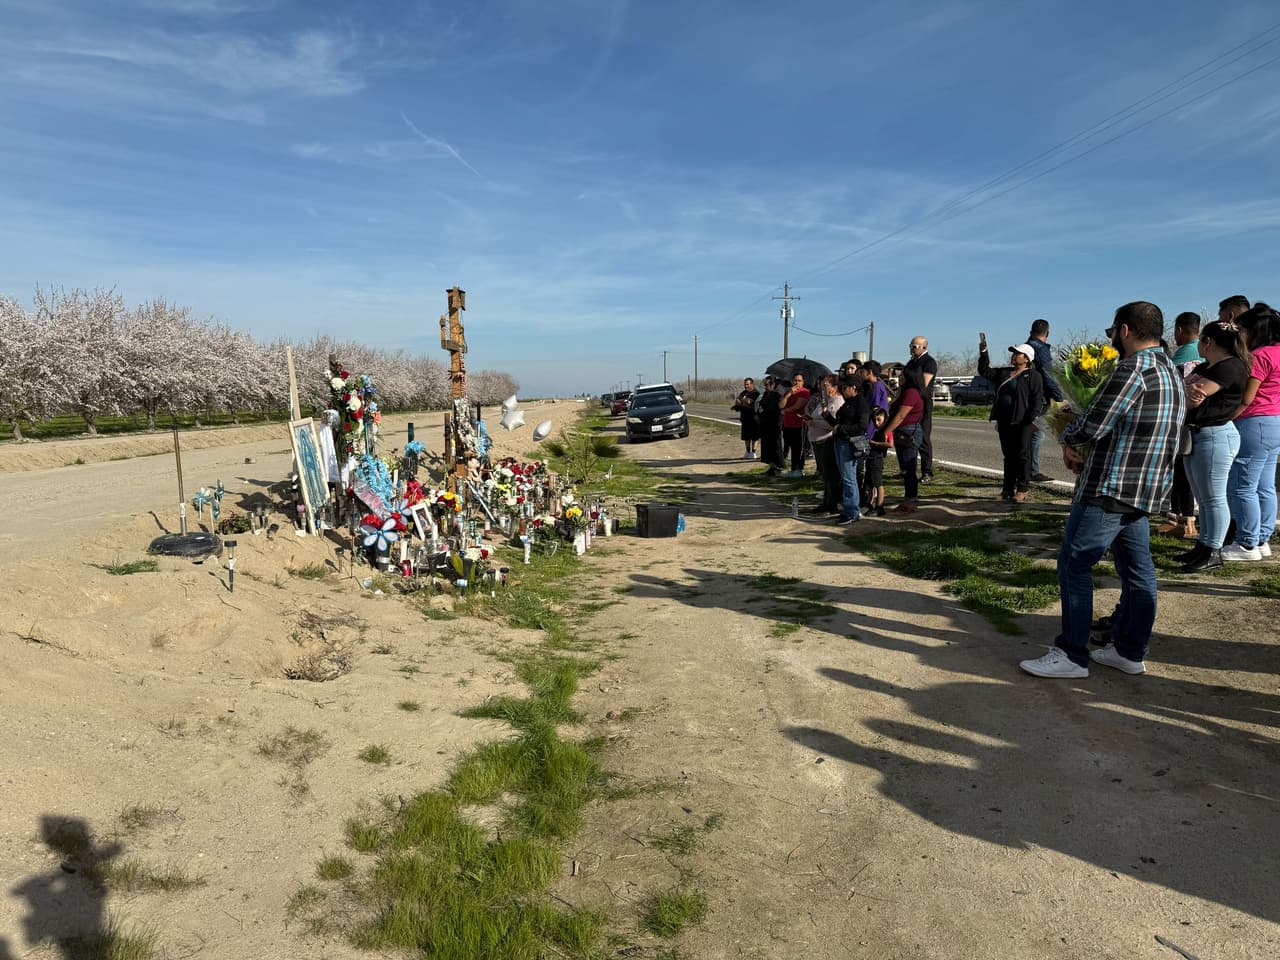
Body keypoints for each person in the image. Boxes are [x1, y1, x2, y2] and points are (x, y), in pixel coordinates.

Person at [1020, 301, 1184, 679]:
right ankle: (1129, 650)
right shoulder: (1171, 370)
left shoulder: (1133, 369)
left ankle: (1072, 654)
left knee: (1074, 564)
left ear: (1124, 330)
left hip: (1111, 485)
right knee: (1138, 571)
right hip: (1145, 487)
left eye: (1113, 332)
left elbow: (1096, 423)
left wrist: (1068, 437)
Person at [1177, 319, 1251, 571]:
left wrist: (1189, 393)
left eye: (1201, 340)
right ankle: (1203, 545)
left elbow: (1194, 395)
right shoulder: (1211, 365)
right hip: (1199, 434)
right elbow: (1187, 393)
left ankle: (1213, 550)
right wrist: (1187, 393)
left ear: (1208, 342)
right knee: (1203, 497)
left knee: (1214, 498)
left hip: (1215, 435)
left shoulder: (1230, 367)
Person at [1223, 304, 1280, 561]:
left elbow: (1247, 398)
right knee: (1266, 485)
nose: (1240, 335)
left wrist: (1225, 418)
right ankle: (1262, 539)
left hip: (1254, 422)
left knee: (1243, 485)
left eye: (1242, 330)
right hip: (1274, 422)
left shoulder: (1259, 356)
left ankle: (1246, 543)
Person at [1159, 311, 1206, 539]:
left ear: (1179, 330)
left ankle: (1186, 520)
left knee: (1182, 471)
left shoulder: (1181, 359)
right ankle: (1178, 516)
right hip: (1205, 422)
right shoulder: (1207, 354)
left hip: (1184, 421)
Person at [981, 341, 1045, 502]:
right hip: (1004, 420)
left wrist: (1030, 419)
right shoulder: (1004, 373)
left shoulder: (1033, 375)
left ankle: (1022, 489)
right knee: (1008, 455)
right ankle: (1007, 488)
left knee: (1022, 454)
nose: (1014, 356)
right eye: (1013, 353)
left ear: (1027, 358)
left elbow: (1037, 400)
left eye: (1018, 354)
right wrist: (984, 353)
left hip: (1024, 421)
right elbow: (984, 371)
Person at [827, 375, 871, 524]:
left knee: (849, 478)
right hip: (840, 442)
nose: (842, 390)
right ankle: (849, 509)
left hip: (850, 443)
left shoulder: (861, 403)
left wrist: (842, 428)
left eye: (844, 387)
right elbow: (838, 423)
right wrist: (827, 416)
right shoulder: (848, 402)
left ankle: (852, 511)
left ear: (853, 388)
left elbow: (862, 426)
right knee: (845, 478)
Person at [883, 366, 928, 513]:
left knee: (909, 468)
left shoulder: (912, 393)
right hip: (902, 431)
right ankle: (908, 497)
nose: (899, 378)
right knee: (904, 468)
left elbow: (901, 415)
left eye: (902, 376)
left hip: (909, 431)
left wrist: (886, 430)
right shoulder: (904, 392)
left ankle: (911, 498)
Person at [1024, 319, 1063, 482]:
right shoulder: (1041, 350)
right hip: (1039, 398)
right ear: (1047, 333)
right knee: (1037, 434)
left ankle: (1027, 471)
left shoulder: (1025, 347)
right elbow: (1048, 375)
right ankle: (1031, 471)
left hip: (1026, 395)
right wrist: (1059, 397)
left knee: (1030, 433)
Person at [805, 375, 843, 514]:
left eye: (826, 384)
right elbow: (817, 415)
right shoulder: (825, 401)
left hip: (827, 440)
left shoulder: (837, 401)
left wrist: (813, 423)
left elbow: (831, 425)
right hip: (817, 440)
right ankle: (826, 503)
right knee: (825, 475)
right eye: (822, 384)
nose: (823, 387)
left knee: (831, 475)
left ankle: (832, 504)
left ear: (834, 387)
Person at [904, 337, 938, 481]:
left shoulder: (928, 362)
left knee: (923, 436)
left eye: (915, 346)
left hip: (922, 402)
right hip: (908, 400)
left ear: (924, 347)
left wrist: (908, 379)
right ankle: (906, 468)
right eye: (911, 345)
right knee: (906, 434)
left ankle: (927, 471)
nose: (912, 348)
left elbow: (923, 383)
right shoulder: (911, 362)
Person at [780, 372, 810, 477]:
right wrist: (788, 395)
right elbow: (780, 405)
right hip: (788, 424)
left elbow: (798, 406)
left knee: (798, 448)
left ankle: (799, 469)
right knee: (791, 447)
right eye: (795, 380)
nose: (797, 382)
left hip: (799, 424)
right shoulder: (788, 392)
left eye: (799, 380)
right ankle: (793, 469)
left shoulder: (804, 392)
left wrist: (786, 410)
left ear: (803, 382)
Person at [864, 406, 892, 516]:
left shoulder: (886, 431)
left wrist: (875, 443)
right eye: (874, 420)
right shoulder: (876, 431)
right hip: (871, 458)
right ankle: (870, 503)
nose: (876, 423)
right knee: (869, 483)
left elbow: (890, 444)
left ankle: (880, 506)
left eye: (878, 420)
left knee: (878, 483)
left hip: (877, 459)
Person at [757, 376, 785, 476]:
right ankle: (771, 466)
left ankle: (778, 466)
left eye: (767, 384)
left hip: (774, 424)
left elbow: (774, 408)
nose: (765, 386)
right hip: (765, 424)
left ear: (773, 385)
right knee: (767, 446)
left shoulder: (777, 395)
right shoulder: (766, 394)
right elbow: (761, 405)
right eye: (765, 384)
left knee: (775, 446)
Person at [733, 377, 761, 460]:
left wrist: (743, 401)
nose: (746, 386)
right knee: (746, 436)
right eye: (745, 384)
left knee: (755, 436)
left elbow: (749, 402)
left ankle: (753, 452)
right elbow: (737, 401)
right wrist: (742, 401)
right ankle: (748, 452)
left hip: (754, 418)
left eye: (747, 384)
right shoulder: (743, 392)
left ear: (752, 384)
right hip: (745, 418)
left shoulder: (755, 393)